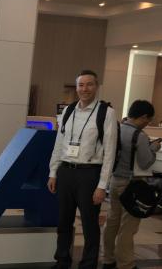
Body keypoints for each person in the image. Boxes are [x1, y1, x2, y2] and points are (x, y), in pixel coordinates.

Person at [47, 70, 117, 269]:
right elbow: (59, 144)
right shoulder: (68, 111)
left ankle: (88, 264)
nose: (84, 89)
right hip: (66, 172)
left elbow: (110, 152)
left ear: (96, 87)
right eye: (81, 85)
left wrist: (102, 185)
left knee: (89, 224)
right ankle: (62, 260)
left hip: (89, 174)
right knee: (63, 221)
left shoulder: (106, 113)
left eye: (89, 85)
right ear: (76, 87)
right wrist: (53, 172)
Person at [102, 100, 161, 269]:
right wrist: (153, 148)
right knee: (128, 228)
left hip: (114, 181)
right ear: (143, 117)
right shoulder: (139, 136)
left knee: (112, 222)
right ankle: (126, 264)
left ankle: (108, 259)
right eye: (148, 120)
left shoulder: (116, 129)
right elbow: (145, 162)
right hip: (132, 184)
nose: (147, 123)